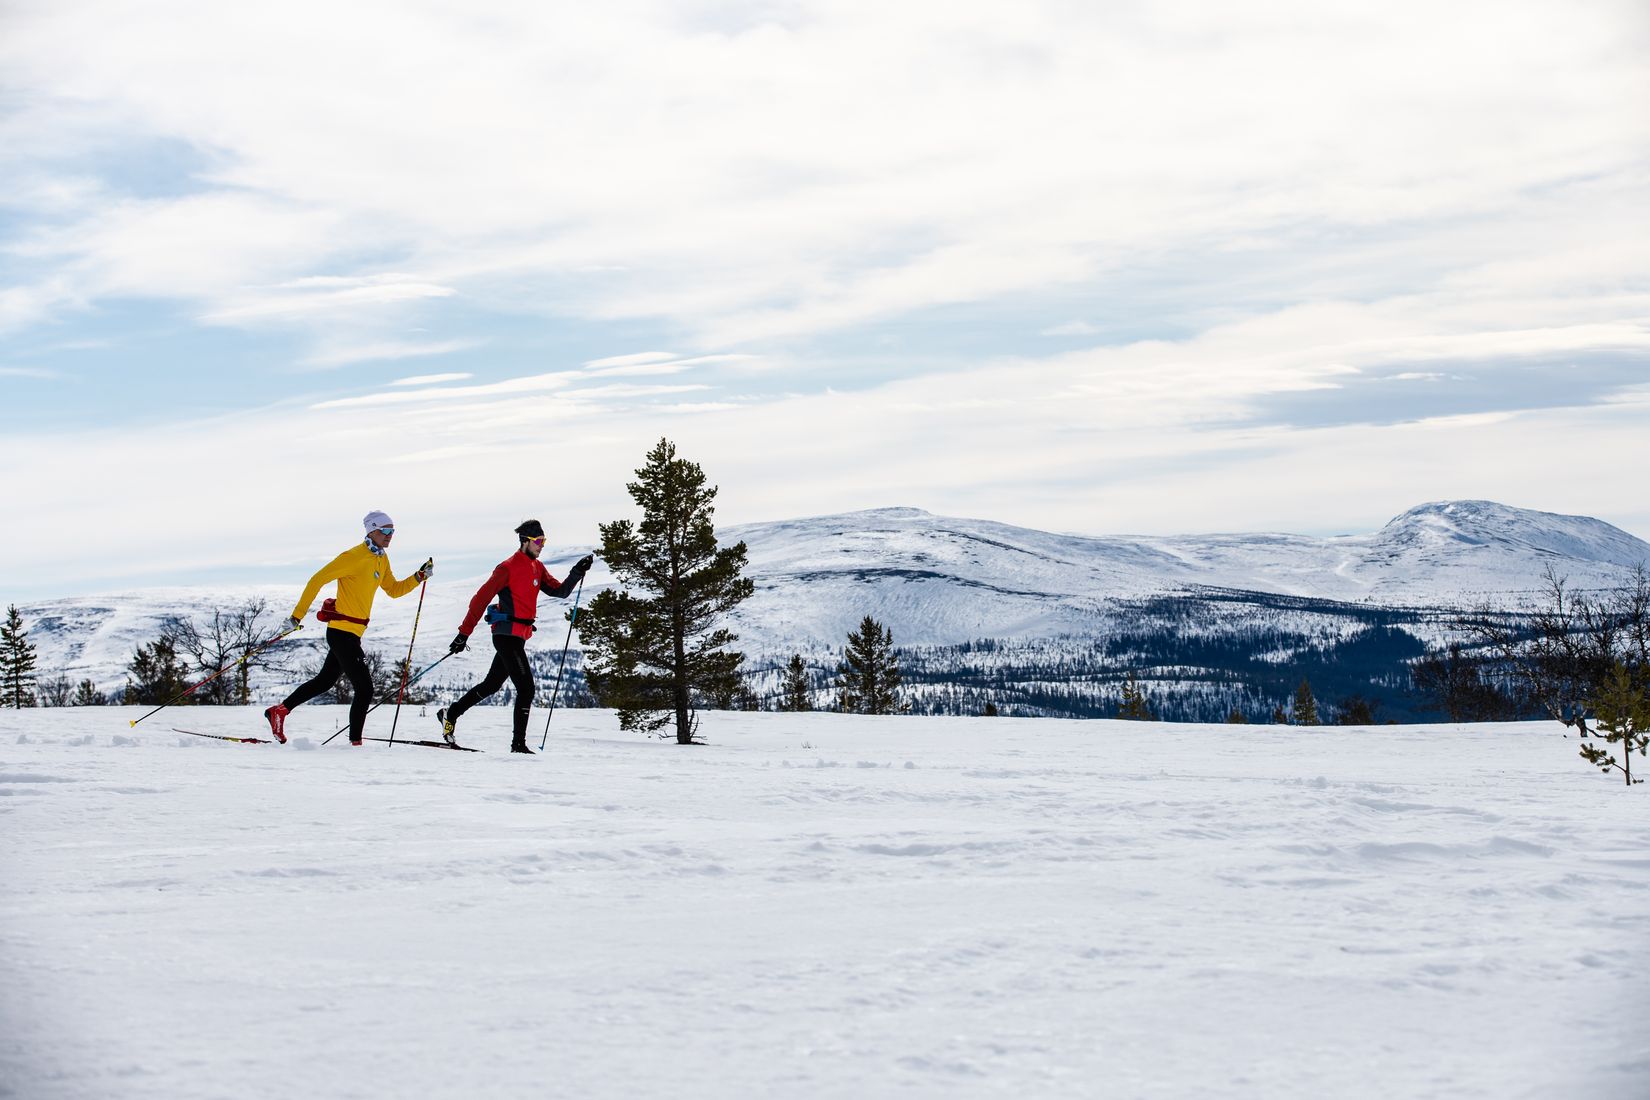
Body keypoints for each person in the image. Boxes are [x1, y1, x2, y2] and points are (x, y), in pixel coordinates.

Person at [263, 511, 432, 746]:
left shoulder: (381, 559)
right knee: (365, 688)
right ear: (371, 530)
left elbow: (393, 589)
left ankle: (279, 711)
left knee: (324, 681)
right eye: (385, 531)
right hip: (341, 632)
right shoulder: (353, 556)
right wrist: (296, 617)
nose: (390, 536)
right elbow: (316, 580)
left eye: (393, 531)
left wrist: (419, 576)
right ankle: (355, 744)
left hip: (353, 634)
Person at [439, 519, 592, 753]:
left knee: (491, 685)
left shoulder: (537, 567)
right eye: (538, 541)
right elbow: (480, 600)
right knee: (526, 688)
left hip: (519, 636)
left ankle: (451, 713)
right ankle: (518, 745)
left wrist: (577, 571)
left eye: (544, 540)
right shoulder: (507, 568)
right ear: (525, 541)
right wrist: (464, 633)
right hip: (505, 635)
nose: (542, 545)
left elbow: (559, 591)